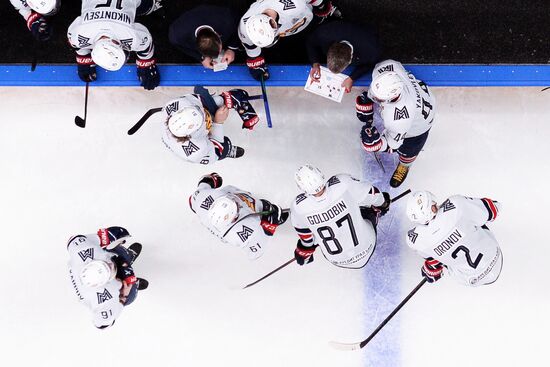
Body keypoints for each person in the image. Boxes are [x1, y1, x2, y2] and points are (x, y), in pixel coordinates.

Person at [290, 165, 391, 269]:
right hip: (367, 247)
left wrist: (304, 251)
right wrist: (383, 203)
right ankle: (377, 212)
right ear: (320, 174)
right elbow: (373, 195)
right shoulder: (342, 182)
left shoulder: (298, 207)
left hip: (337, 260)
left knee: (318, 229)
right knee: (365, 206)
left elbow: (307, 240)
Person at [356, 59, 436, 187]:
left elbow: (393, 144)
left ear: (392, 98)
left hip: (419, 126)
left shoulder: (400, 117)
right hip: (422, 95)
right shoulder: (386, 68)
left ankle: (405, 165)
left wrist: (376, 145)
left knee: (408, 150)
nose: (374, 97)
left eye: (378, 98)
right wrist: (368, 99)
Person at [405, 191, 503, 287]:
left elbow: (435, 261)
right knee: (473, 218)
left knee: (440, 255)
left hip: (469, 279)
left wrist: (431, 269)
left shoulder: (414, 240)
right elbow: (493, 210)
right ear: (432, 207)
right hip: (495, 257)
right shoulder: (456, 204)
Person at [189, 173, 289, 260]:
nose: (237, 203)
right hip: (248, 224)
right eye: (236, 206)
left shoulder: (205, 199)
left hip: (226, 218)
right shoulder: (241, 233)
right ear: (234, 217)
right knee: (266, 208)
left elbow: (194, 198)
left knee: (235, 193)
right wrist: (270, 225)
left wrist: (210, 180)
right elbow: (255, 253)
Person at [67, 0, 163, 90]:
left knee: (150, 7)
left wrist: (146, 64)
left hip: (121, 26)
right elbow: (75, 35)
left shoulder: (131, 37)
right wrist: (84, 58)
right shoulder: (77, 37)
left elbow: (146, 41)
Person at [67, 226, 148, 329]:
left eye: (107, 265)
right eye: (111, 269)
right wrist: (123, 297)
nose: (111, 265)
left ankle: (128, 256)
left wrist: (102, 237)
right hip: (111, 292)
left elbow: (73, 241)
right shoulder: (102, 301)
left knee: (117, 253)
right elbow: (102, 324)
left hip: (98, 271)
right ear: (105, 283)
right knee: (131, 295)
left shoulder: (82, 252)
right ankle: (134, 284)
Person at [238, 0, 339, 81]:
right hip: (291, 28)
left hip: (303, 14)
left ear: (273, 24)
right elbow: (251, 48)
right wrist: (256, 66)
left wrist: (324, 8)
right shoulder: (244, 28)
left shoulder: (296, 4)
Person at [161, 87, 260, 165]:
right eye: (206, 120)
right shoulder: (197, 150)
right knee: (224, 148)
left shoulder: (176, 104)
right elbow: (217, 151)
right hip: (205, 151)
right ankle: (228, 150)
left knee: (213, 99)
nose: (206, 115)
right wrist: (218, 122)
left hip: (190, 135)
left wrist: (223, 100)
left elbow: (200, 99)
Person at [306, 20, 380, 93]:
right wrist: (315, 63)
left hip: (364, 31)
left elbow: (370, 64)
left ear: (350, 59)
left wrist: (352, 78)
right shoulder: (325, 33)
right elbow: (311, 42)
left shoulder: (371, 51)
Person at [168, 5, 241, 71]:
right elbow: (174, 42)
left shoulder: (228, 19)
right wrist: (201, 58)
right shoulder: (177, 34)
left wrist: (232, 48)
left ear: (218, 35)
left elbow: (240, 24)